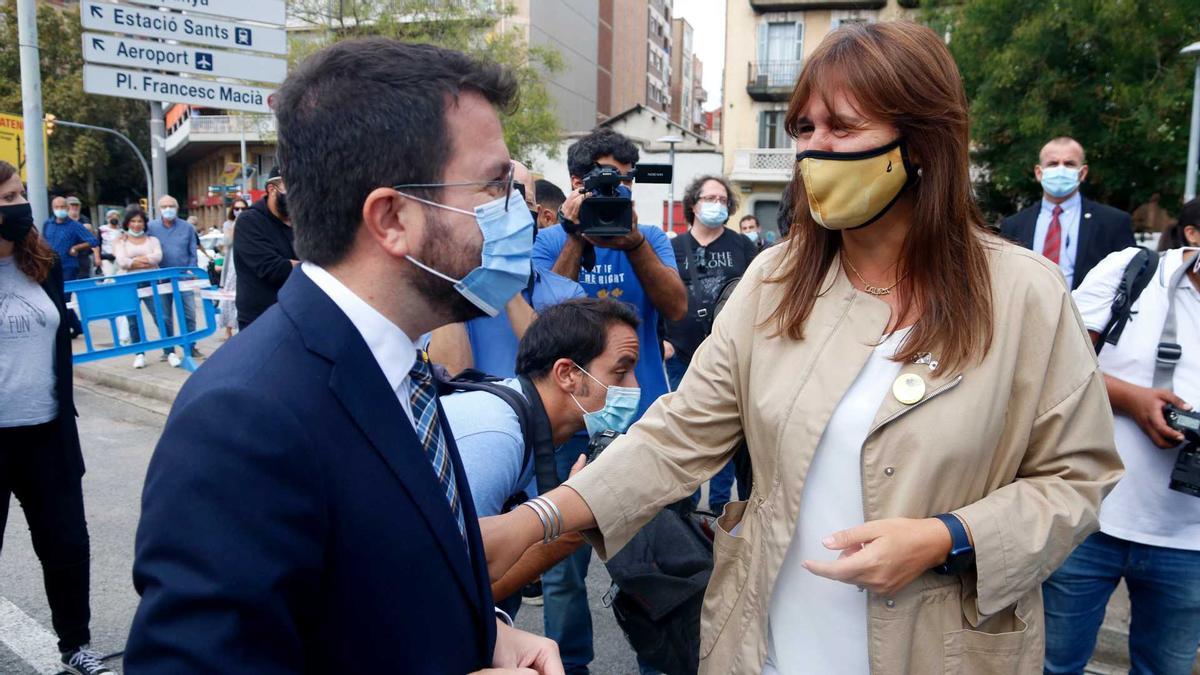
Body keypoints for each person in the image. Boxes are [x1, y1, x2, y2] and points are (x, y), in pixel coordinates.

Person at [482, 22, 1124, 674]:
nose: (813, 152)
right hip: (767, 645)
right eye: (803, 131)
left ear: (923, 143)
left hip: (942, 649)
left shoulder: (1026, 296)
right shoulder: (775, 281)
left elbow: (1077, 478)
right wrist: (536, 518)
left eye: (841, 128)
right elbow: (676, 434)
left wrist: (947, 537)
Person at [126, 38, 561, 674]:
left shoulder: (401, 367)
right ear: (391, 219)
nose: (519, 215)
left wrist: (487, 634)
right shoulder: (244, 416)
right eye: (495, 188)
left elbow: (389, 577)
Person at [531, 126, 687, 675]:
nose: (617, 191)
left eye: (624, 181)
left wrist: (636, 245)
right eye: (604, 180)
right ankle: (568, 665)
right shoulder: (551, 240)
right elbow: (545, 319)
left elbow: (676, 305)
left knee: (656, 560)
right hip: (566, 423)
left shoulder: (648, 237)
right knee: (561, 568)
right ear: (576, 183)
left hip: (640, 425)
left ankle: (661, 665)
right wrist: (577, 235)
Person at [1043, 199, 1200, 675]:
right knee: (1051, 664)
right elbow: (1054, 360)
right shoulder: (1134, 270)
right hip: (1090, 516)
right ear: (1194, 236)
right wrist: (1131, 399)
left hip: (1190, 542)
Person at [441, 297, 640, 616]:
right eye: (621, 371)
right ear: (568, 374)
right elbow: (452, 590)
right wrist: (574, 521)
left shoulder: (526, 423)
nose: (634, 387)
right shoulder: (498, 436)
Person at [0, 161, 113, 675]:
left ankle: (76, 646)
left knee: (67, 546)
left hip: (47, 433)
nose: (19, 206)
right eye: (5, 199)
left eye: (19, 195)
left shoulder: (41, 261)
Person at [665, 175, 758, 515]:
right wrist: (663, 339)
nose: (717, 204)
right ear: (693, 204)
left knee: (726, 431)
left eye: (722, 200)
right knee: (685, 430)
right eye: (710, 198)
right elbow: (659, 294)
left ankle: (720, 506)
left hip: (727, 356)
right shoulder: (673, 248)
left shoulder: (743, 247)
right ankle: (686, 507)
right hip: (681, 354)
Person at [1000, 136, 1135, 289]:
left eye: (1069, 164)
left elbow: (1130, 280)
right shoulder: (1014, 225)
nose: (1061, 169)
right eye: (1053, 163)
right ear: (1039, 173)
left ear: (1082, 173)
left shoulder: (1113, 222)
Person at [233, 167, 297, 330]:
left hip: (296, 314)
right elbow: (274, 269)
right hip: (260, 320)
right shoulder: (250, 221)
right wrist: (315, 267)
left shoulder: (302, 222)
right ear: (272, 189)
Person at [147, 194, 203, 365]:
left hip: (183, 277)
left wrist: (191, 270)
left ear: (177, 208)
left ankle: (190, 346)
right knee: (164, 316)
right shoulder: (151, 227)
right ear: (159, 209)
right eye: (164, 206)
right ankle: (168, 349)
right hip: (161, 279)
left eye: (171, 206)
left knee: (189, 313)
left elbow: (192, 251)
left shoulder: (187, 227)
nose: (168, 209)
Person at [41, 195, 98, 338]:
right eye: (57, 207)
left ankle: (64, 329)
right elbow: (43, 241)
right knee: (55, 299)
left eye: (62, 207)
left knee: (64, 298)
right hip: (50, 266)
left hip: (68, 266)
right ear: (52, 208)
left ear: (67, 208)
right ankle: (77, 326)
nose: (60, 210)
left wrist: (76, 247)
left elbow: (93, 241)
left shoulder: (74, 225)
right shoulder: (48, 224)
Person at [114, 208, 162, 370]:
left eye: (139, 221)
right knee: (133, 320)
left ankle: (169, 350)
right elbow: (122, 262)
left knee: (160, 317)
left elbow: (157, 257)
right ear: (127, 223)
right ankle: (139, 354)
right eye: (133, 221)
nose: (136, 224)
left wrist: (134, 261)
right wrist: (146, 261)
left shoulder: (152, 240)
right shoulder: (120, 241)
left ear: (144, 223)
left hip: (150, 282)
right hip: (129, 284)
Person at [218, 199, 247, 339]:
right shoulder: (228, 224)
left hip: (247, 261)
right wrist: (236, 226)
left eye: (243, 209)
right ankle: (228, 328)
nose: (240, 212)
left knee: (245, 295)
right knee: (229, 296)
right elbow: (227, 242)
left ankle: (242, 327)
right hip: (232, 264)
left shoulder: (251, 222)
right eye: (237, 208)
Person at [66, 196, 96, 280]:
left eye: (77, 205)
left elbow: (93, 240)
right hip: (67, 258)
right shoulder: (61, 220)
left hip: (83, 257)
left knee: (85, 281)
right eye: (72, 205)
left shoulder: (85, 219)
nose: (75, 207)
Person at [96, 210, 122, 278]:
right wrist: (97, 257)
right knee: (109, 276)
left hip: (119, 258)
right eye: (111, 217)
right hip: (105, 257)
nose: (114, 218)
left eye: (116, 217)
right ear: (107, 218)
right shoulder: (102, 229)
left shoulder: (122, 231)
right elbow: (97, 244)